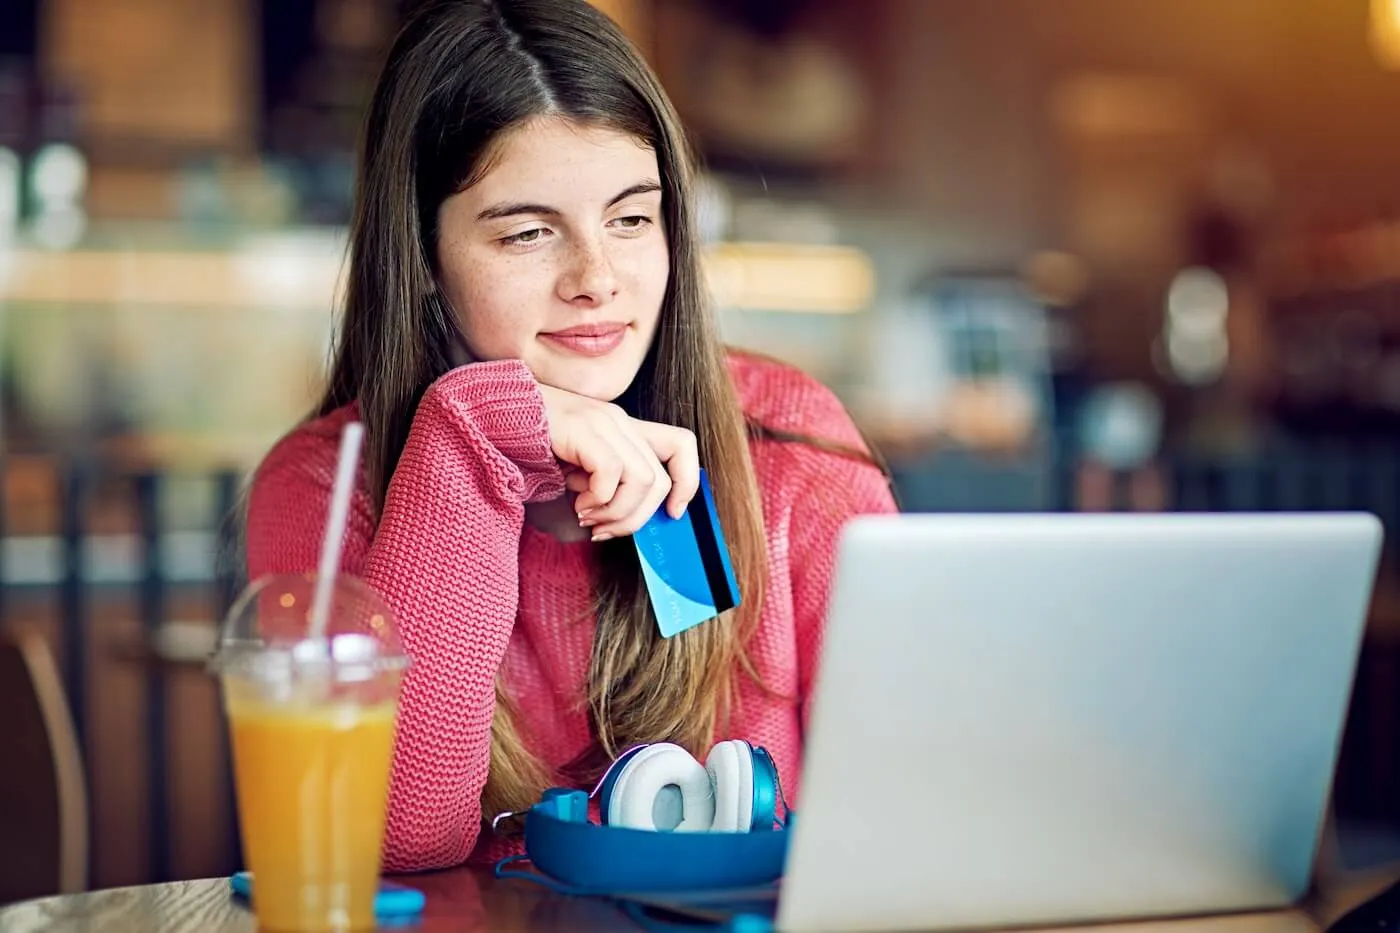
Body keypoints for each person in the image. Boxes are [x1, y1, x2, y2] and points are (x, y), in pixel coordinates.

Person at [244, 0, 896, 874]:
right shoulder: (324, 487)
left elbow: (916, 795)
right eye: (528, 233)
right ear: (426, 261)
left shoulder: (790, 445)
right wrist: (470, 437)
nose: (598, 279)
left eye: (631, 219)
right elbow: (391, 839)